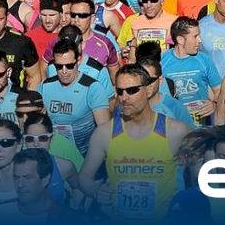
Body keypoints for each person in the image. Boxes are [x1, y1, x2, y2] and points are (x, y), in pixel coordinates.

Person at [79, 65, 189, 221]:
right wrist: (96, 191)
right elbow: (84, 177)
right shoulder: (104, 134)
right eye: (120, 91)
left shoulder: (176, 131)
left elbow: (198, 172)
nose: (124, 98)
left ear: (148, 90)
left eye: (132, 90)